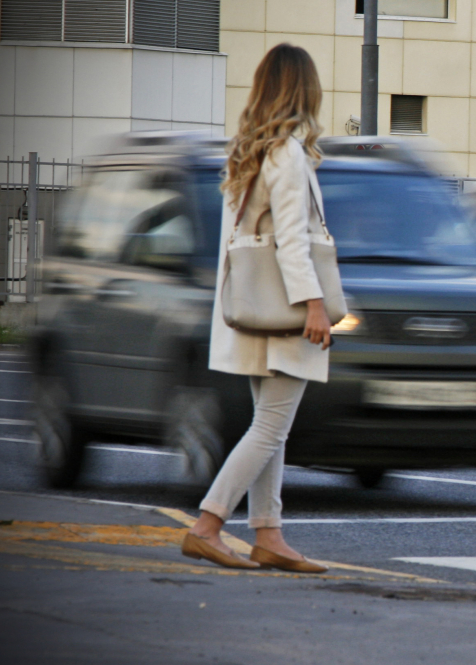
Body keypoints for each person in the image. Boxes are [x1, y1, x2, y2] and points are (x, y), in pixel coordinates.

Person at [180, 44, 332, 573]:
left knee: (270, 425)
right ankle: (208, 525)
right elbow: (292, 241)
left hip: (256, 308)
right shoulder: (287, 153)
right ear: (303, 88)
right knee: (271, 425)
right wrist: (314, 303)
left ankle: (268, 532)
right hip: (286, 309)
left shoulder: (249, 147)